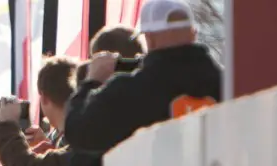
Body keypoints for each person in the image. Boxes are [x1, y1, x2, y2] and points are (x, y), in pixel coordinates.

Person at [64, 0, 221, 153]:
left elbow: (78, 131)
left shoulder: (130, 91)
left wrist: (92, 81)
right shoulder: (228, 83)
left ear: (149, 39)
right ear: (193, 34)